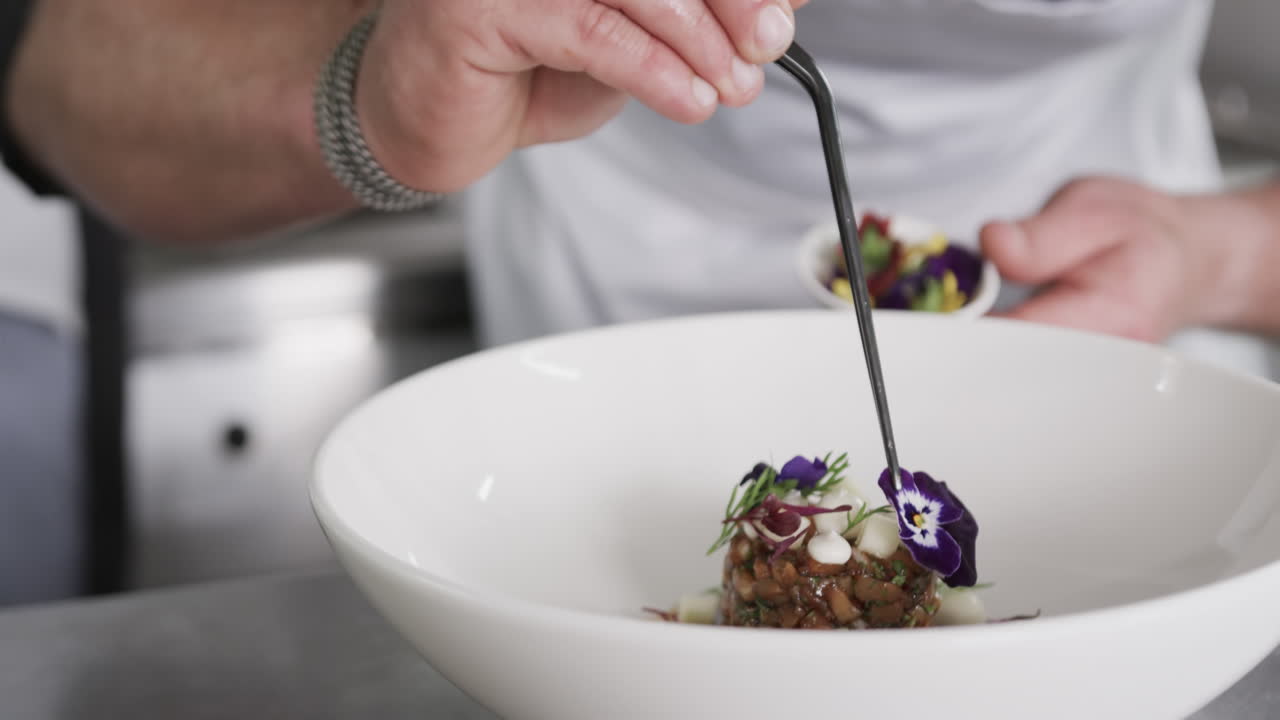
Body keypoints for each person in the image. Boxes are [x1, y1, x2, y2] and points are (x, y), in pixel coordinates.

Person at [1, 0, 1277, 602]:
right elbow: (55, 70)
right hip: (599, 328)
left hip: (1118, 350)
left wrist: (1216, 251)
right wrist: (366, 102)